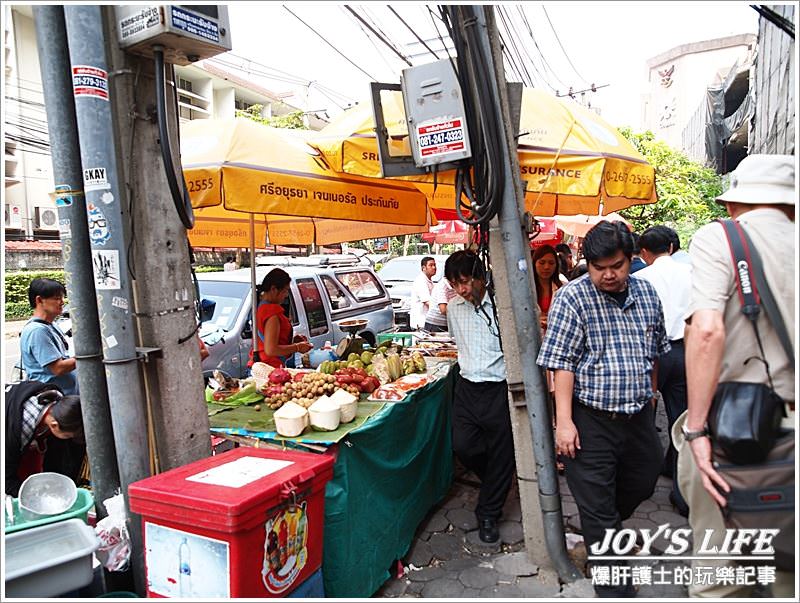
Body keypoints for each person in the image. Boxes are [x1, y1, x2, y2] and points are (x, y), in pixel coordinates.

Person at [675, 154, 795, 598]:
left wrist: (697, 431)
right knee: (788, 572)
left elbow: (706, 330)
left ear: (733, 205)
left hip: (739, 431)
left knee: (720, 578)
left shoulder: (722, 238)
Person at [537, 220, 669, 597]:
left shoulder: (646, 294)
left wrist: (653, 392)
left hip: (638, 415)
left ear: (631, 260)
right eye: (599, 268)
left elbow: (655, 349)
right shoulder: (573, 298)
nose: (608, 275)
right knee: (598, 512)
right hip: (590, 420)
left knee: (644, 479)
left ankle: (604, 528)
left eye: (616, 266)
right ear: (587, 263)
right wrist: (563, 423)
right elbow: (561, 362)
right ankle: (615, 585)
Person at [445, 250, 515, 544]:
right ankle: (496, 484)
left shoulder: (503, 306)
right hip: (467, 386)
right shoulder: (453, 308)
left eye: (465, 282)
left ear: (479, 276)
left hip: (499, 388)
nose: (462, 290)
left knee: (502, 452)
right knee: (464, 445)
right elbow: (457, 342)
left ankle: (488, 512)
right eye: (455, 284)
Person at [635, 225, 692, 517]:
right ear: (670, 248)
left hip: (651, 353)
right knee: (682, 419)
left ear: (644, 252)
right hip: (685, 351)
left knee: (642, 420)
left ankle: (640, 481)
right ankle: (683, 493)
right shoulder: (692, 272)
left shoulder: (639, 278)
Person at [5, 380, 84, 496]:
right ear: (54, 426)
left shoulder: (56, 399)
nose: (68, 439)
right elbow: (6, 479)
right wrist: (31, 496)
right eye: (68, 436)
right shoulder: (19, 429)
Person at [20, 278, 78, 395]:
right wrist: (87, 358)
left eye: (62, 298)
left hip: (65, 396)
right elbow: (58, 368)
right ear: (39, 300)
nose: (62, 302)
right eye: (57, 298)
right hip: (54, 402)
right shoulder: (37, 331)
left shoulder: (51, 325)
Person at [250, 268, 313, 369]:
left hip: (264, 364)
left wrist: (291, 341)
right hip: (269, 367)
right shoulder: (271, 313)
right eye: (285, 291)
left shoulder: (260, 307)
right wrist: (297, 347)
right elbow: (271, 350)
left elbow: (272, 340)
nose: (286, 295)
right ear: (274, 289)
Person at [532, 245, 562, 332]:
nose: (546, 267)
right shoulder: (526, 288)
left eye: (551, 263)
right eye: (542, 262)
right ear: (534, 263)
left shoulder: (563, 288)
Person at [410, 256, 436, 329]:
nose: (434, 267)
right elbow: (427, 301)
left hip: (427, 321)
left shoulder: (429, 281)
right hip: (421, 323)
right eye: (431, 265)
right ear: (423, 268)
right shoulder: (420, 281)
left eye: (434, 265)